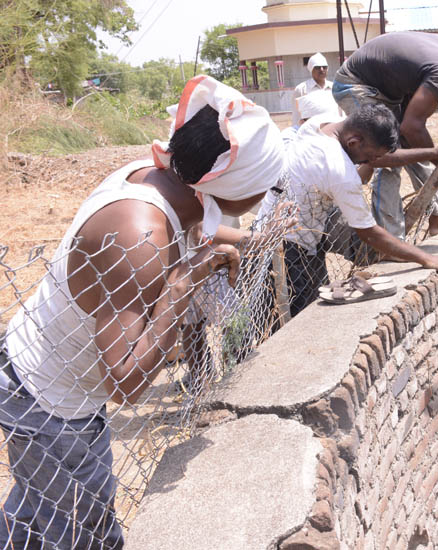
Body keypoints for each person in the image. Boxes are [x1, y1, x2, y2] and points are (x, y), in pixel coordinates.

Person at [0, 75, 285, 549]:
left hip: (58, 384)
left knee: (42, 513)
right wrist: (183, 284)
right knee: (76, 532)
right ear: (236, 189)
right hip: (48, 398)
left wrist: (225, 245)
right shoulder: (140, 235)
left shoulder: (164, 179)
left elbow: (190, 228)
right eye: (266, 186)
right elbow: (128, 385)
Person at [271, 103, 438, 316]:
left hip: (282, 230)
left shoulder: (319, 125)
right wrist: (424, 258)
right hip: (292, 250)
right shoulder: (341, 173)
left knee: (311, 305)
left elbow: (377, 154)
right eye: (370, 158)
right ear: (353, 142)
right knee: (300, 317)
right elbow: (369, 233)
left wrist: (434, 152)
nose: (373, 163)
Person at [332, 32, 438, 238]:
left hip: (388, 93)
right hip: (356, 84)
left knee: (417, 147)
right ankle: (392, 238)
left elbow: (412, 129)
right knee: (385, 158)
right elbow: (413, 126)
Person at [291, 52, 335, 127]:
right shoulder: (301, 89)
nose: (322, 69)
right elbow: (296, 117)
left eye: (324, 67)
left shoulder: (334, 87)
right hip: (311, 132)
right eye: (317, 67)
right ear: (311, 69)